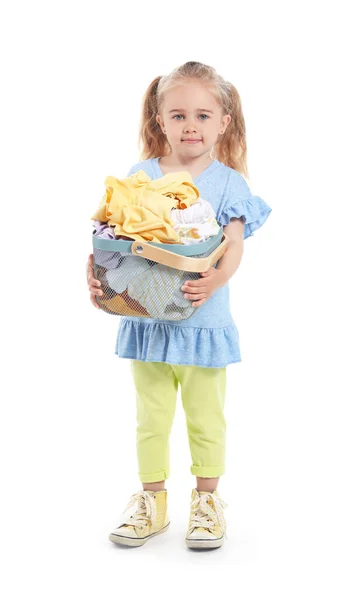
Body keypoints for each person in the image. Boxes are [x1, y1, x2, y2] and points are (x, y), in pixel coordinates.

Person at [86, 61, 272, 550]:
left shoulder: (229, 183)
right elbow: (115, 241)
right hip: (146, 319)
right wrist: (96, 274)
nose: (192, 125)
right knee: (151, 415)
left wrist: (215, 281)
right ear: (159, 120)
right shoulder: (140, 176)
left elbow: (234, 243)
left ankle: (207, 502)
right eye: (180, 115)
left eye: (204, 116)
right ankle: (152, 501)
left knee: (205, 415)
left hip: (203, 321)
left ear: (224, 123)